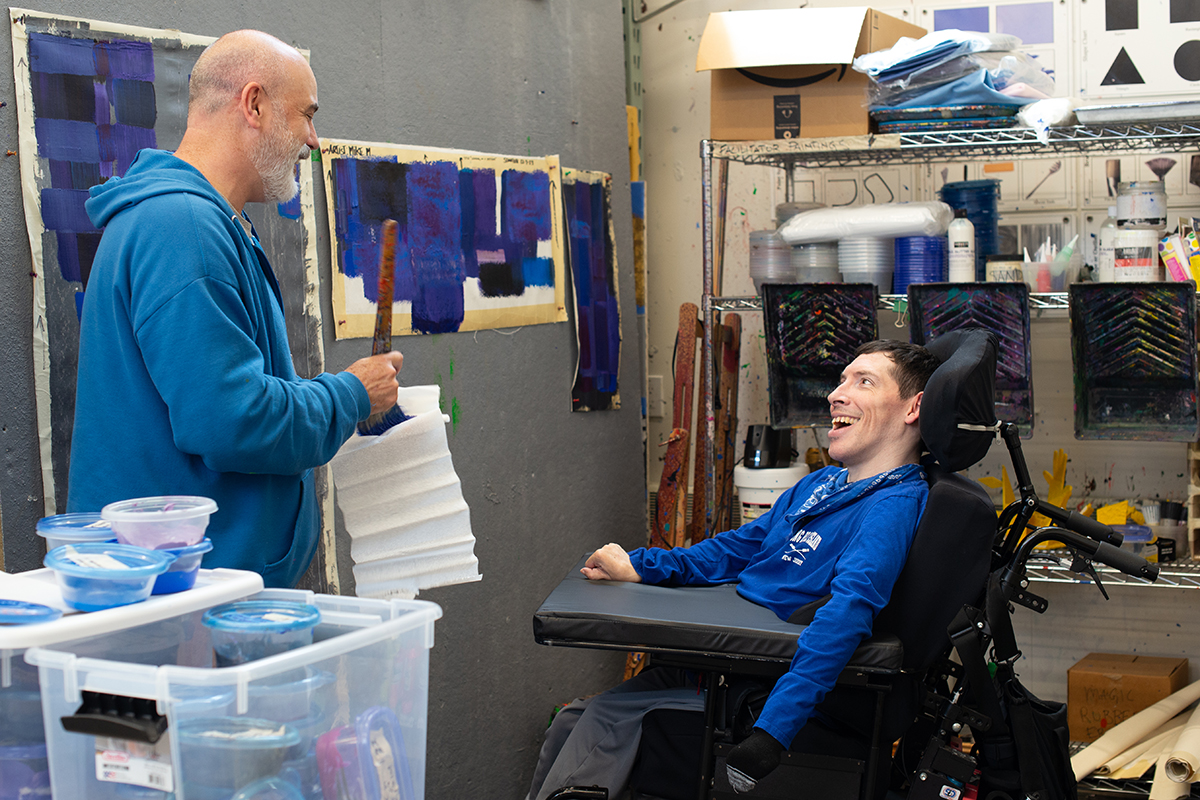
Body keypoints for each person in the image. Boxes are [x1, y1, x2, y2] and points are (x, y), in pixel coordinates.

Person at [526, 339, 943, 799]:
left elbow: (846, 615)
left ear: (914, 408)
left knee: (601, 723)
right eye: (842, 379)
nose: (836, 394)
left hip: (763, 684)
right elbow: (736, 549)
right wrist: (640, 567)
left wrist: (773, 732)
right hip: (724, 663)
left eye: (864, 381)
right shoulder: (822, 484)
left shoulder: (891, 508)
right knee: (570, 721)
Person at [67, 30, 403, 588]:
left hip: (192, 589)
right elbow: (232, 421)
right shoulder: (183, 229)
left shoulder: (200, 223)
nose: (313, 140)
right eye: (306, 116)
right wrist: (351, 394)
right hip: (183, 602)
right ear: (254, 104)